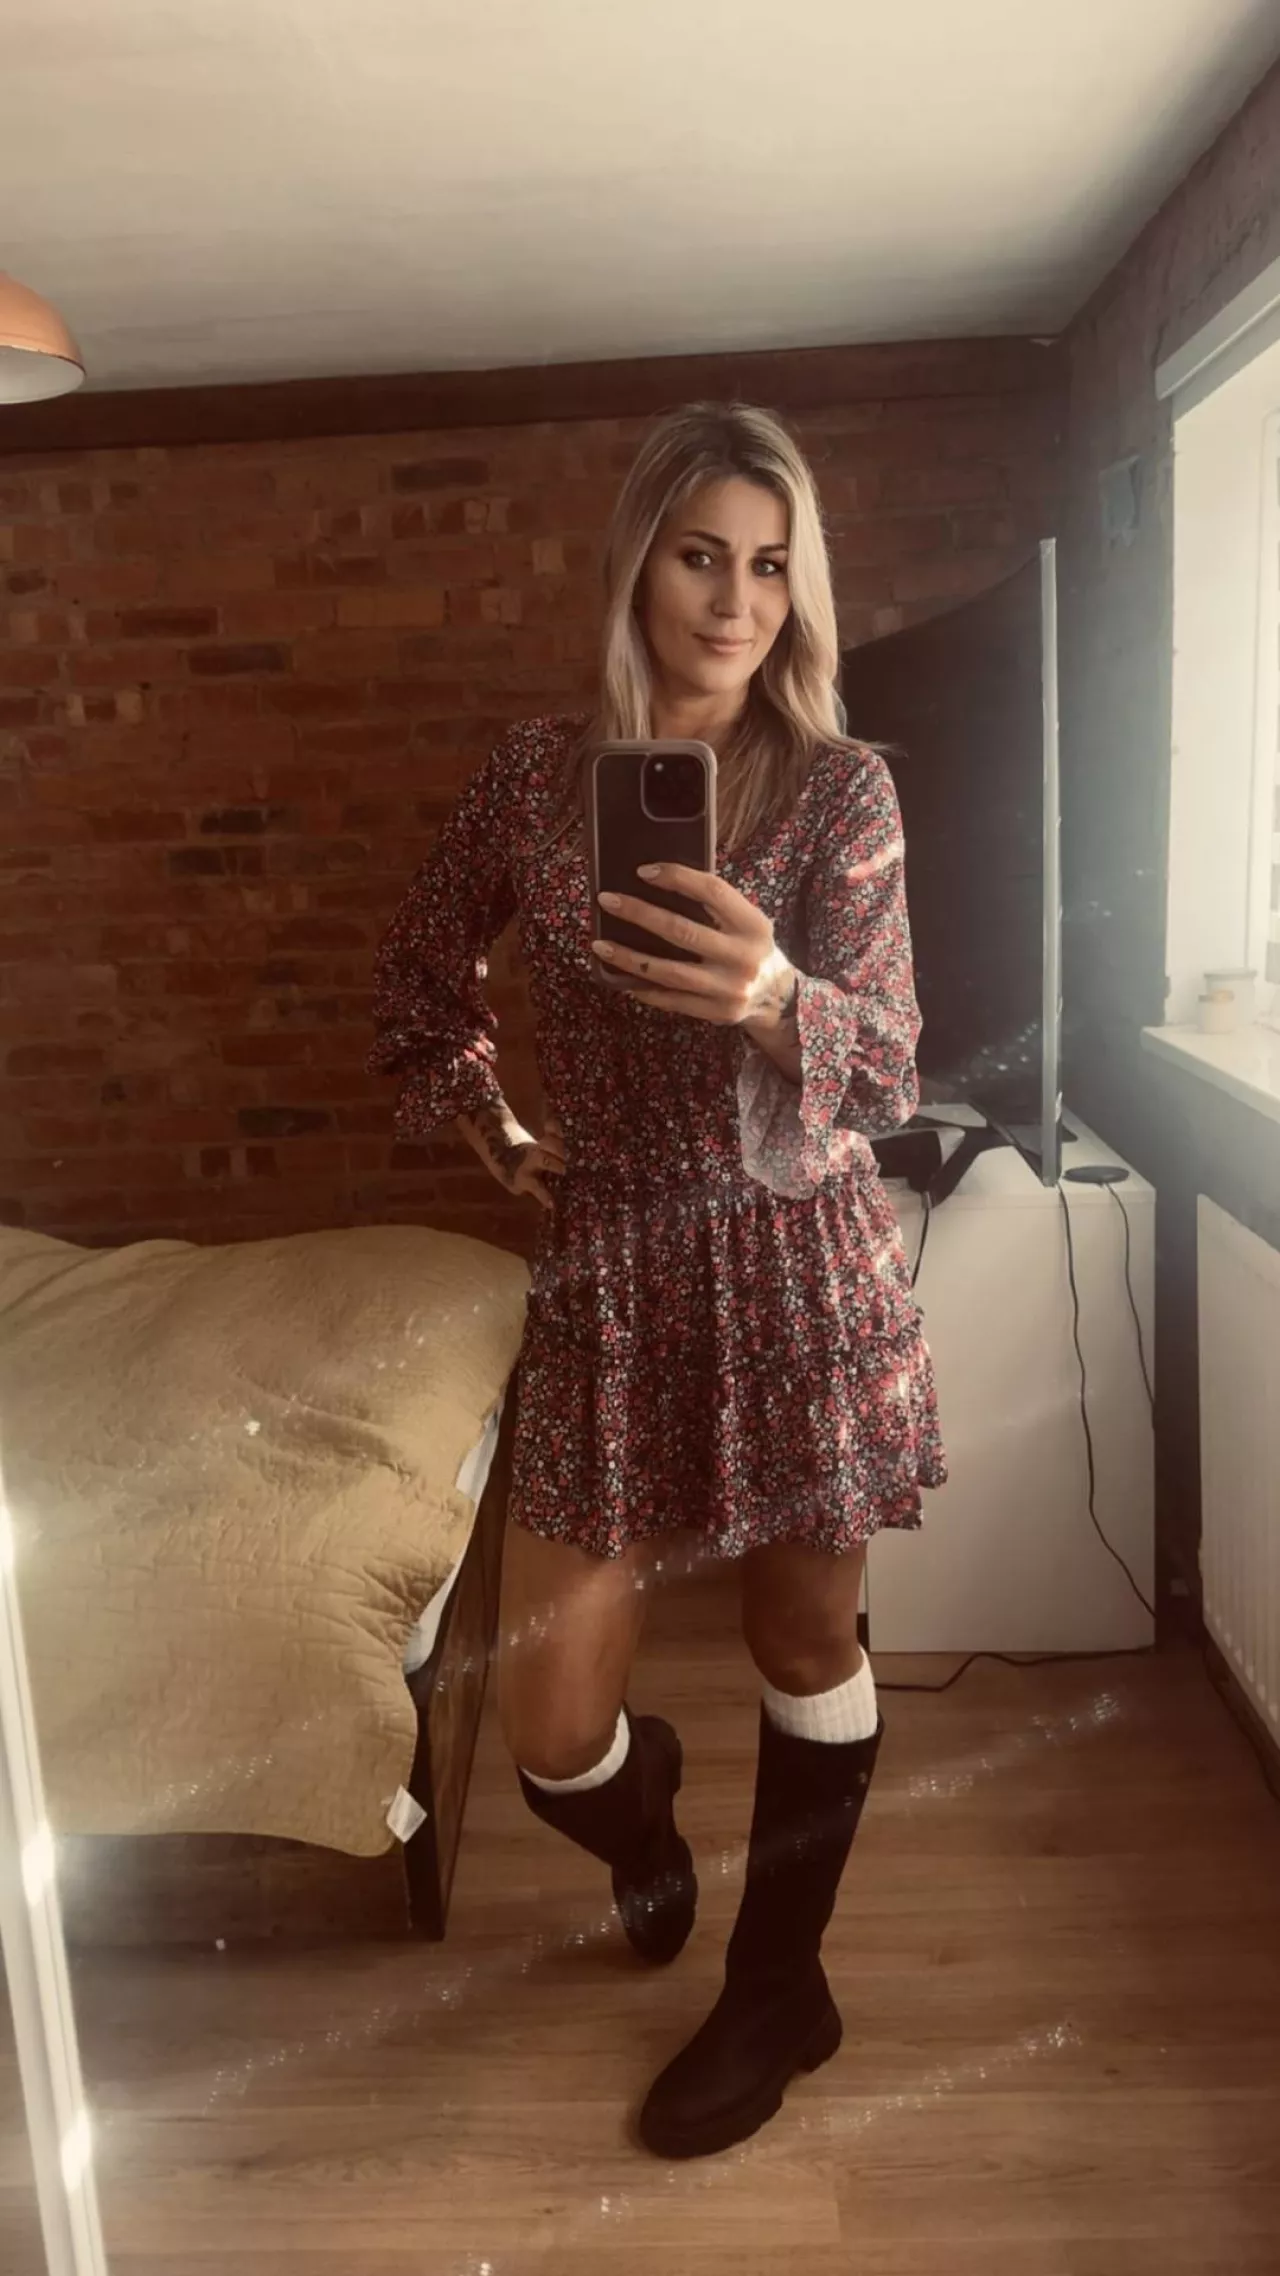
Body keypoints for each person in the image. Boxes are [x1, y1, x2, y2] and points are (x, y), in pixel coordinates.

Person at [369, 402, 945, 2160]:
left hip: (794, 1262)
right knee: (551, 1723)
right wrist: (494, 1128)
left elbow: (890, 1068)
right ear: (639, 562)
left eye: (772, 565)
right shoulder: (534, 782)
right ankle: (644, 1817)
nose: (737, 601)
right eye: (704, 555)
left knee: (805, 1637)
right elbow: (419, 977)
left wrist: (775, 995)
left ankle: (781, 1989)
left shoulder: (840, 790)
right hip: (612, 1266)